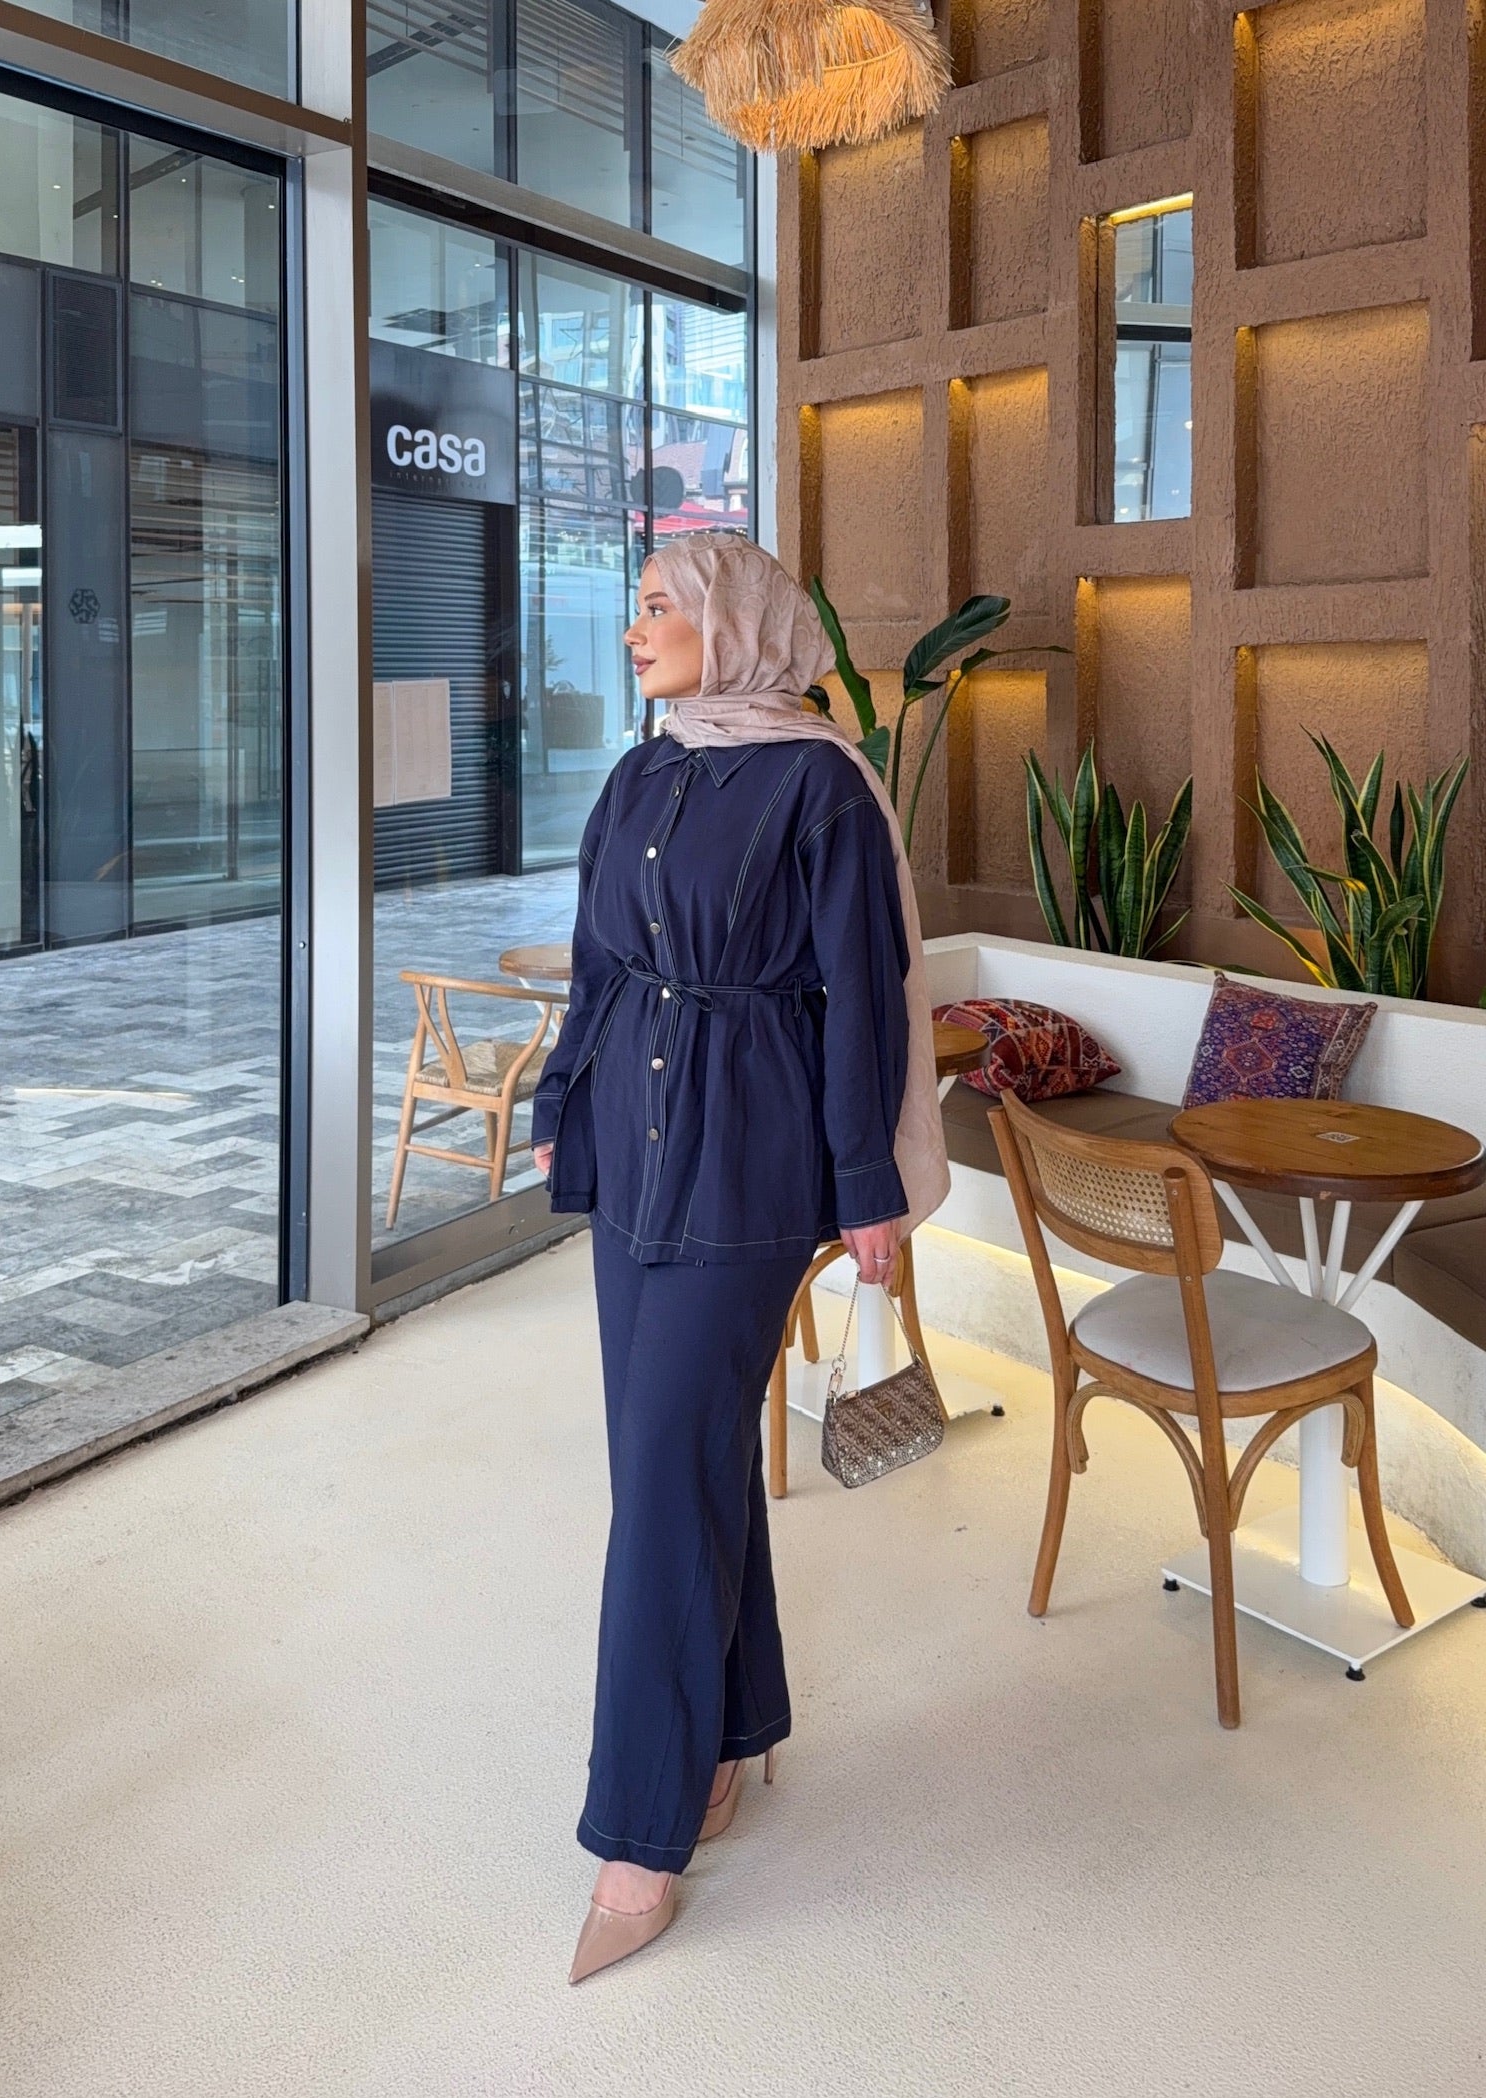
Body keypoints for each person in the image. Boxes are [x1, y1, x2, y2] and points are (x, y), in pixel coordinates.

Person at [530, 533, 949, 1984]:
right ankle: (728, 1731)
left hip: (753, 1155)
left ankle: (638, 1839)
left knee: (662, 1471)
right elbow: (597, 961)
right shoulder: (640, 775)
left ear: (736, 622)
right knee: (674, 1460)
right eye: (636, 606)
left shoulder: (819, 785)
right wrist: (558, 1097)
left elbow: (863, 996)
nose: (635, 628)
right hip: (632, 1143)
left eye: (661, 606)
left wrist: (867, 1184)